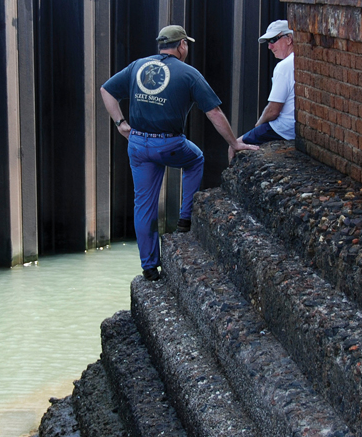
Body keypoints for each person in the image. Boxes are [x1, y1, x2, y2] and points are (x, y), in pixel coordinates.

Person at [100, 25, 259, 281]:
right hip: (169, 145)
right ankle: (185, 219)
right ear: (182, 45)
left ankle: (149, 268)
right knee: (195, 159)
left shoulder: (137, 66)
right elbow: (214, 112)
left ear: (161, 45)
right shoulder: (189, 74)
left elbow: (105, 90)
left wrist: (121, 123)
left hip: (138, 144)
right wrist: (234, 142)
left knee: (143, 206)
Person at [240, 19, 296, 145]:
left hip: (284, 128)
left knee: (236, 145)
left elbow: (273, 111)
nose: (270, 46)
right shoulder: (301, 60)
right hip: (297, 128)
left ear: (289, 39)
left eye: (273, 40)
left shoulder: (283, 67)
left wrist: (259, 124)